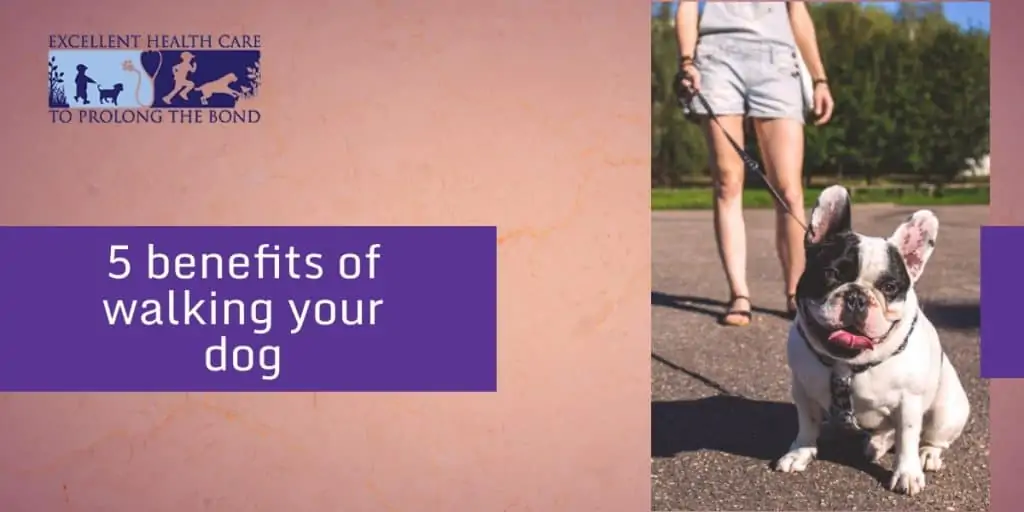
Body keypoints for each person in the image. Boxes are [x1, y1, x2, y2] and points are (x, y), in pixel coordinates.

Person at [676, 1, 834, 327]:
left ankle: (796, 292)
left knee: (788, 190)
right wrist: (687, 60)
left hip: (777, 59)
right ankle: (739, 294)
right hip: (717, 56)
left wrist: (820, 78)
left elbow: (797, 11)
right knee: (727, 181)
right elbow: (688, 5)